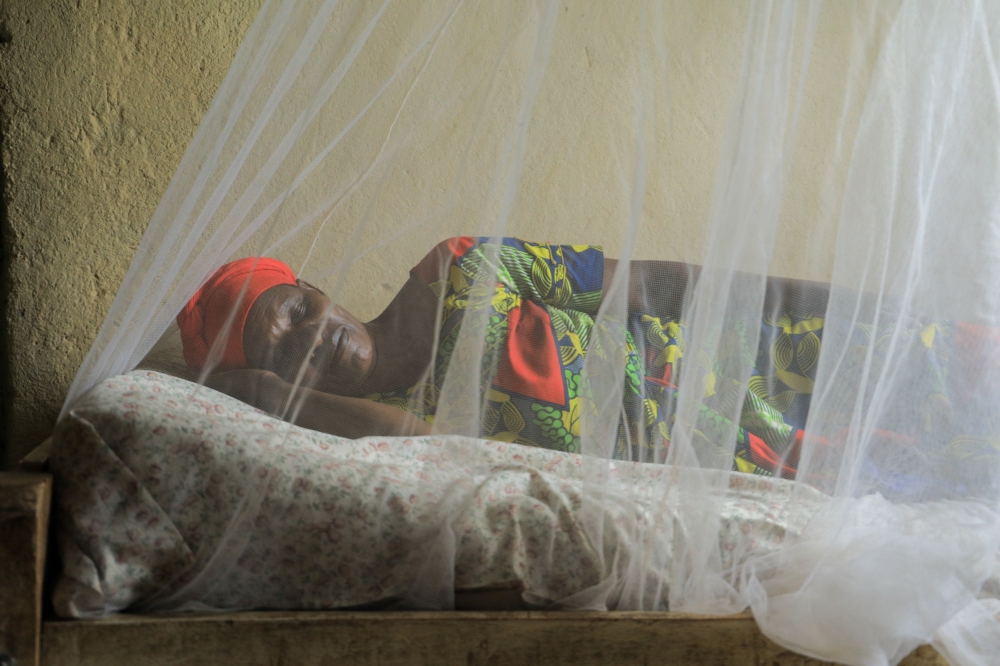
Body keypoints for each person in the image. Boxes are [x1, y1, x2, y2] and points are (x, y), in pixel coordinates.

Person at [178, 237, 829, 475]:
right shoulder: (374, 425)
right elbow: (432, 448)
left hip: (752, 370)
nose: (309, 339)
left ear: (313, 288)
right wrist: (264, 395)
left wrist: (818, 306)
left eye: (293, 314)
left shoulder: (461, 269)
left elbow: (644, 284)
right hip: (705, 463)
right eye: (281, 354)